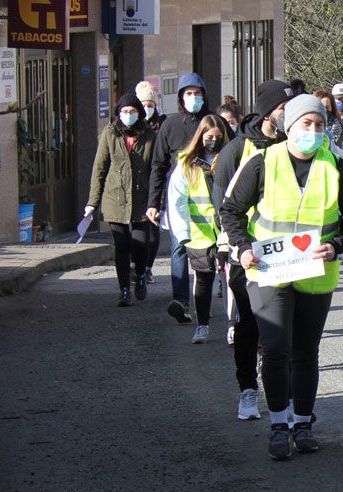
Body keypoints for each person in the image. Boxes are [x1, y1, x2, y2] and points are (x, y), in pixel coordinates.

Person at [219, 94, 343, 460]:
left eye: (319, 125)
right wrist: (243, 247)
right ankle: (278, 425)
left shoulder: (337, 166)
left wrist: (337, 246)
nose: (313, 131)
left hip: (316, 272)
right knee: (274, 349)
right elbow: (231, 210)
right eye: (306, 124)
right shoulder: (262, 162)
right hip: (269, 270)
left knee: (305, 351)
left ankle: (303, 423)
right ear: (290, 127)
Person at [213, 79, 295, 421]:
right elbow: (224, 205)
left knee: (283, 329)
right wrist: (238, 245)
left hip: (289, 252)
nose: (288, 115)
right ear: (266, 111)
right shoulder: (237, 150)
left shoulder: (295, 144)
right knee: (249, 324)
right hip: (246, 253)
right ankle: (248, 390)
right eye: (282, 109)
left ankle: (286, 397)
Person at [147, 72, 233, 325]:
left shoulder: (215, 122)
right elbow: (158, 165)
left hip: (215, 203)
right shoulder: (170, 125)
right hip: (181, 201)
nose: (193, 98)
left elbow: (234, 154)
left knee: (219, 253)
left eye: (197, 93)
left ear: (204, 96)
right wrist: (153, 203)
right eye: (188, 93)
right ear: (181, 97)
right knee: (178, 247)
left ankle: (222, 301)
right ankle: (181, 300)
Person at [85, 94, 157, 306]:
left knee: (141, 244)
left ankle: (141, 274)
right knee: (122, 245)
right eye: (124, 112)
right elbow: (99, 168)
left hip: (142, 197)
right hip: (115, 196)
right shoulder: (110, 133)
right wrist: (92, 202)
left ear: (140, 113)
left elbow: (157, 169)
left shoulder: (150, 135)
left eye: (132, 111)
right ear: (118, 113)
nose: (128, 115)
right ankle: (124, 288)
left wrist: (156, 201)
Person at [167, 115, 228, 344]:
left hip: (227, 230)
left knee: (231, 281)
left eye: (218, 137)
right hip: (200, 234)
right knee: (203, 280)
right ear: (200, 137)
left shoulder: (230, 159)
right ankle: (203, 325)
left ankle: (234, 325)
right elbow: (178, 201)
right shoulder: (186, 164)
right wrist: (182, 233)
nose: (213, 141)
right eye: (209, 137)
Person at [135, 81, 166, 283]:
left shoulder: (162, 125)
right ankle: (136, 265)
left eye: (150, 105)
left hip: (155, 185)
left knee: (152, 231)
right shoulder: (132, 127)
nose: (147, 109)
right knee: (138, 231)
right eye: (143, 105)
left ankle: (147, 267)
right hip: (137, 185)